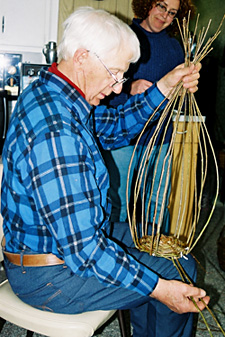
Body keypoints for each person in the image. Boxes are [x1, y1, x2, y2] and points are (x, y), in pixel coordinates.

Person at [1, 6, 209, 337]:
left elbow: (115, 126)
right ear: (83, 57)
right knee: (175, 275)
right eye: (115, 73)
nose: (117, 88)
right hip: (52, 277)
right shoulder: (57, 130)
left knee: (164, 245)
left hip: (58, 247)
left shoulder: (55, 94)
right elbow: (86, 251)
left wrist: (165, 88)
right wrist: (159, 289)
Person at [102, 0, 196, 227]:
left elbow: (178, 95)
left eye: (172, 13)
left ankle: (153, 254)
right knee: (118, 203)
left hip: (161, 137)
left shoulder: (176, 48)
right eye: (161, 6)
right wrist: (128, 88)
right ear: (147, 5)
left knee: (157, 203)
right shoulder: (123, 36)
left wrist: (185, 93)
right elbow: (103, 82)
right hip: (123, 136)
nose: (164, 16)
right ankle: (117, 254)